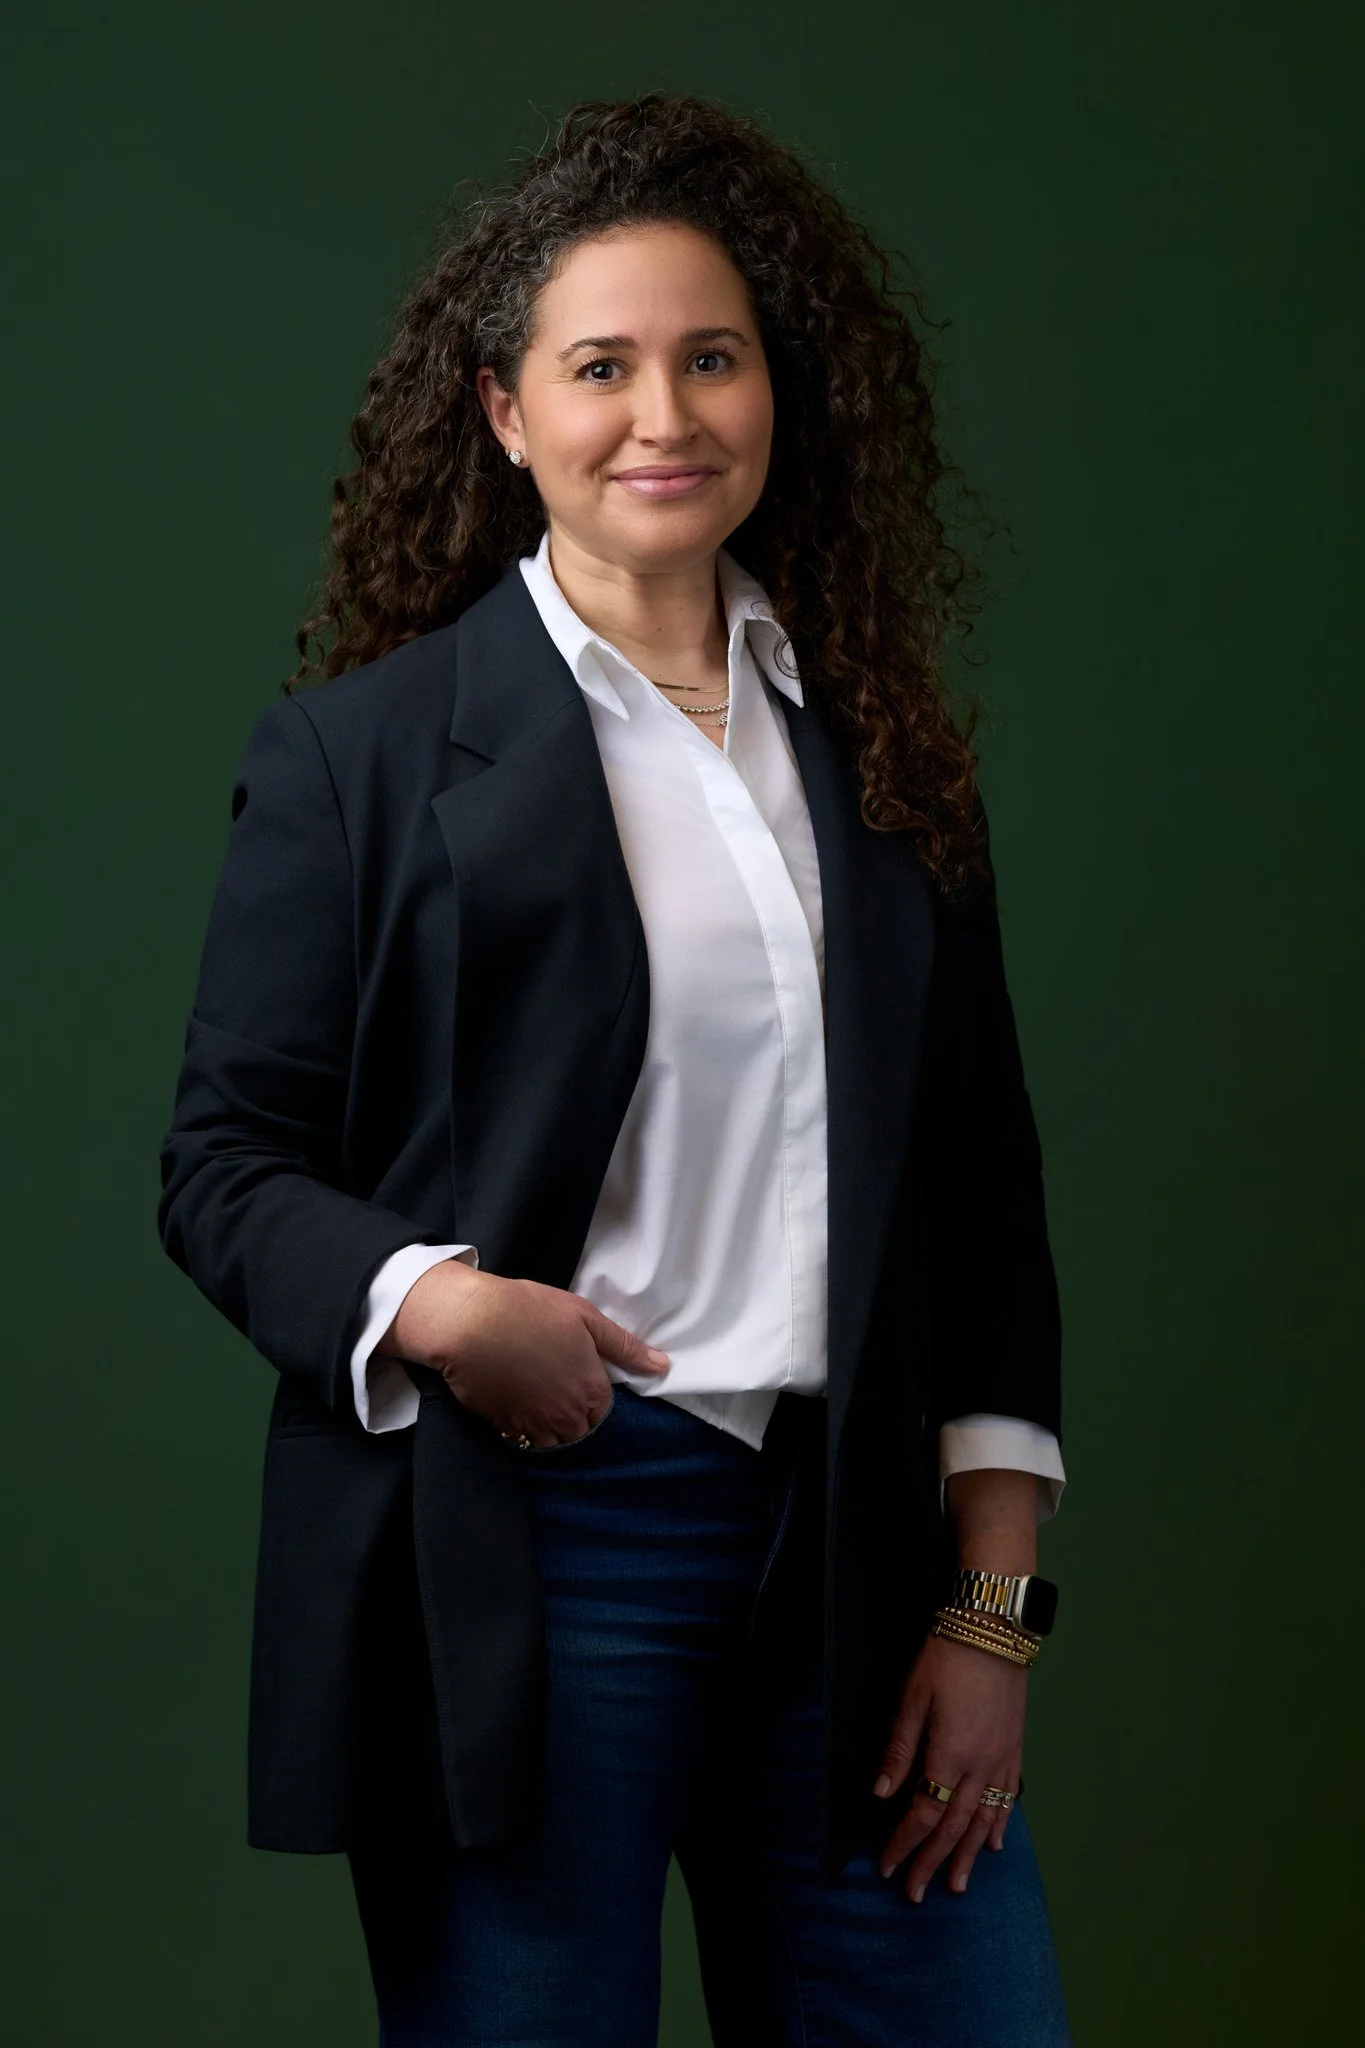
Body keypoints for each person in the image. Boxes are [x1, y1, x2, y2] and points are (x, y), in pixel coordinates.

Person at [158, 89, 1071, 2045]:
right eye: (601, 364)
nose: (663, 412)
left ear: (776, 397)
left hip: (856, 1555)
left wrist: (988, 1612)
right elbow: (224, 1162)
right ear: (506, 413)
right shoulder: (360, 758)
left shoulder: (889, 756)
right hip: (530, 1546)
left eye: (711, 357)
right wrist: (444, 1304)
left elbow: (987, 1200)